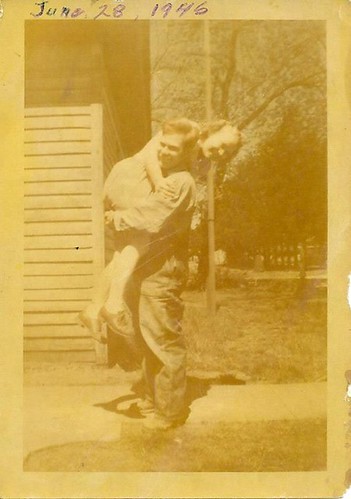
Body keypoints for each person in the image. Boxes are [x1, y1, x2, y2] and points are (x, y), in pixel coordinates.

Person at [78, 119, 241, 341]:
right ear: (212, 130)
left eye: (227, 152)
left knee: (122, 254)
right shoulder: (185, 131)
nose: (221, 151)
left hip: (134, 180)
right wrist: (159, 182)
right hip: (135, 176)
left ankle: (93, 308)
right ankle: (113, 305)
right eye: (221, 144)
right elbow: (150, 155)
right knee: (140, 240)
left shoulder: (201, 158)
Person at [106, 119, 200, 430]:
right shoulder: (164, 176)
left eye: (173, 149)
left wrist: (116, 218)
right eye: (162, 144)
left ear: (187, 152)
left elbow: (150, 216)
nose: (164, 152)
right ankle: (151, 398)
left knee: (163, 341)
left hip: (164, 269)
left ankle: (170, 412)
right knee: (148, 340)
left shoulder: (181, 182)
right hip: (149, 268)